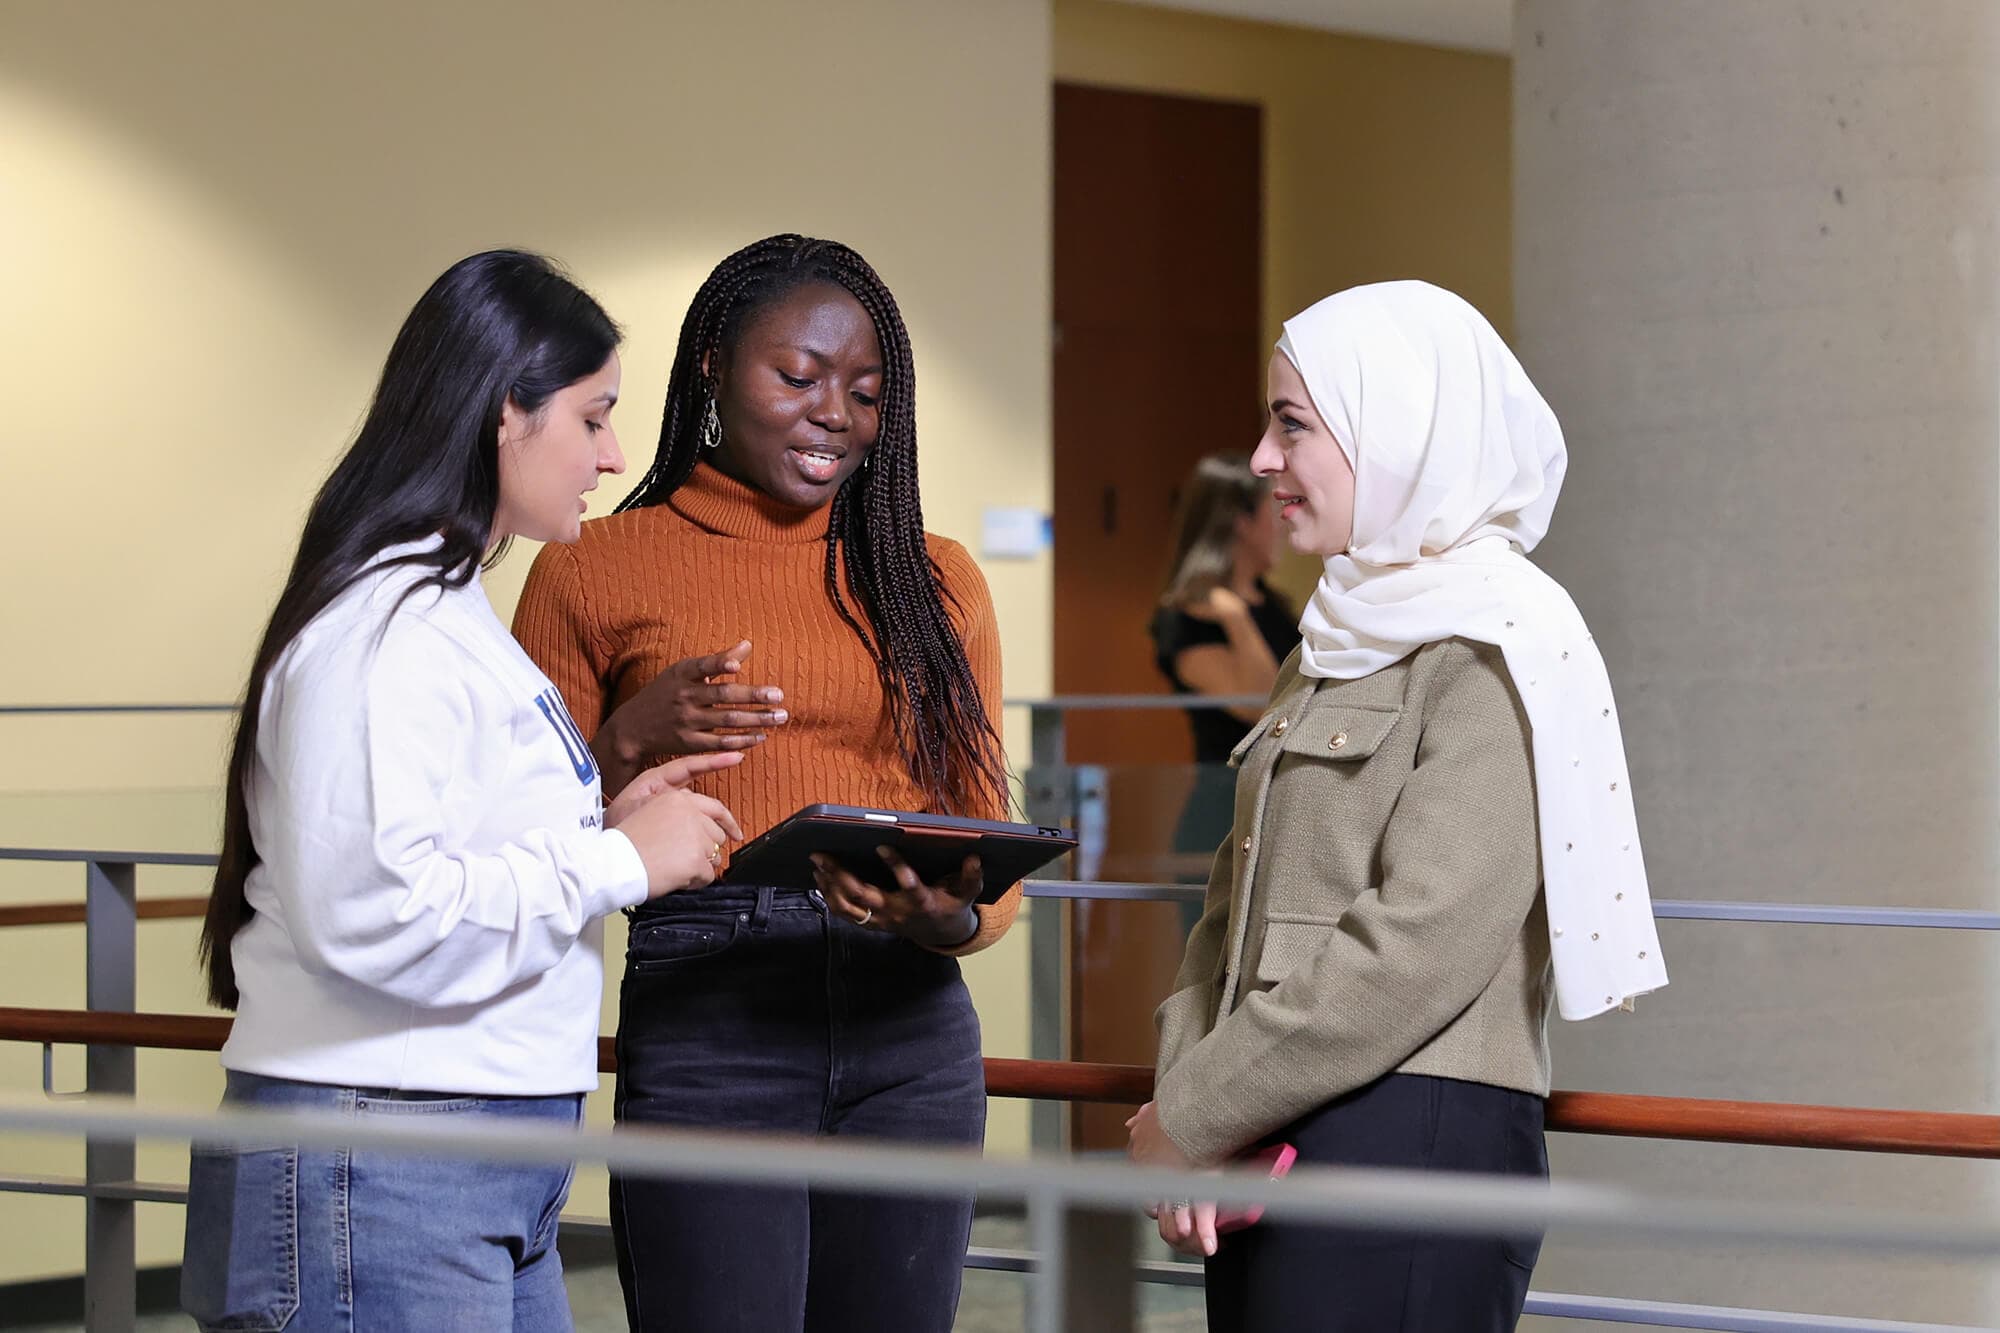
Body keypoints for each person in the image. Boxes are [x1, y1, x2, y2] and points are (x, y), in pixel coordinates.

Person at [180, 250, 743, 1333]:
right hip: (382, 1156)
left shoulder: (440, 613)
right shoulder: (381, 629)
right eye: (592, 418)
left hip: (464, 1156)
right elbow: (377, 910)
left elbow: (446, 849)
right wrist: (616, 860)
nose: (613, 453)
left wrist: (601, 823)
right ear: (503, 415)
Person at [1126, 281, 1668, 1332]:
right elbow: (1224, 913)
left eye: (1291, 424)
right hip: (1270, 1128)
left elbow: (1419, 941)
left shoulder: (1499, 642)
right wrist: (1192, 1104)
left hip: (1410, 1144)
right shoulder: (1332, 638)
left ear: (1401, 432)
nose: (1261, 459)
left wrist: (1196, 1111)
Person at [512, 234, 1015, 1332]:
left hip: (911, 1025)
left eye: (866, 393)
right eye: (797, 377)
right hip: (710, 1008)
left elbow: (986, 838)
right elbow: (523, 837)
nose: (834, 412)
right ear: (708, 371)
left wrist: (949, 913)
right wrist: (625, 746)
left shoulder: (936, 579)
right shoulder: (591, 567)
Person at [1149, 453, 1297, 884]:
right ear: (1240, 521)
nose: (1285, 520)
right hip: (1221, 818)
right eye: (1274, 506)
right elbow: (1265, 704)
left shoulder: (1276, 607)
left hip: (1278, 812)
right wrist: (1234, 619)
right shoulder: (1189, 616)